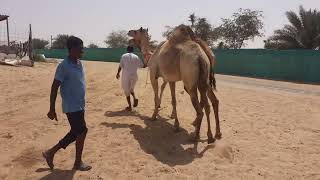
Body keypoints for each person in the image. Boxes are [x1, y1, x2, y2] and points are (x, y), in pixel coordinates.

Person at [42, 36, 92, 171]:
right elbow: (54, 87)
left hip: (80, 104)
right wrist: (52, 108)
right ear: (71, 49)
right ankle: (76, 162)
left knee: (76, 132)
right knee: (81, 131)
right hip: (71, 105)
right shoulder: (63, 66)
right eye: (80, 48)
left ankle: (50, 153)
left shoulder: (79, 63)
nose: (82, 51)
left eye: (82, 48)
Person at [116, 46, 145, 111]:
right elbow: (142, 65)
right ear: (133, 50)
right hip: (134, 76)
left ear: (127, 50)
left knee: (127, 91)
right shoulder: (136, 57)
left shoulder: (124, 56)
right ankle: (135, 98)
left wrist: (118, 73)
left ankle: (129, 106)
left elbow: (120, 66)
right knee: (131, 89)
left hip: (126, 76)